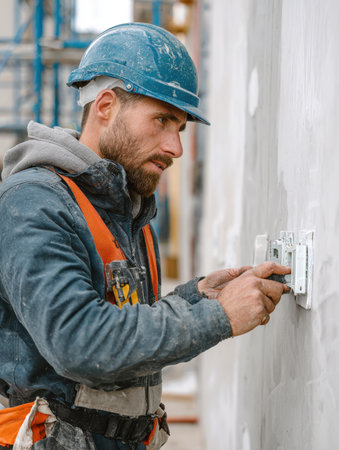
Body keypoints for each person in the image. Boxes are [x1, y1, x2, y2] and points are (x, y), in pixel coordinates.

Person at [0, 23, 290, 450]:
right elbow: (79, 341)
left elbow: (129, 323)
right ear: (105, 106)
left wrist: (198, 297)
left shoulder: (125, 208)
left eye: (181, 128)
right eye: (161, 121)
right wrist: (219, 317)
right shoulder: (33, 202)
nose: (176, 147)